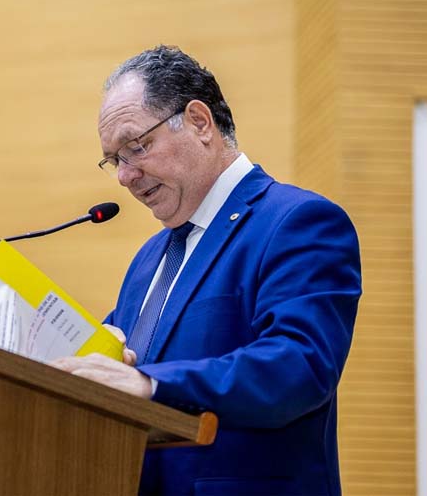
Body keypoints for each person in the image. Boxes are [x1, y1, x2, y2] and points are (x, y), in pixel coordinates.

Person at [51, 45, 361, 495]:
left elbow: (299, 366)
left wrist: (149, 383)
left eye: (136, 147)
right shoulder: (148, 260)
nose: (124, 176)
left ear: (199, 122)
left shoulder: (295, 221)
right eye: (115, 159)